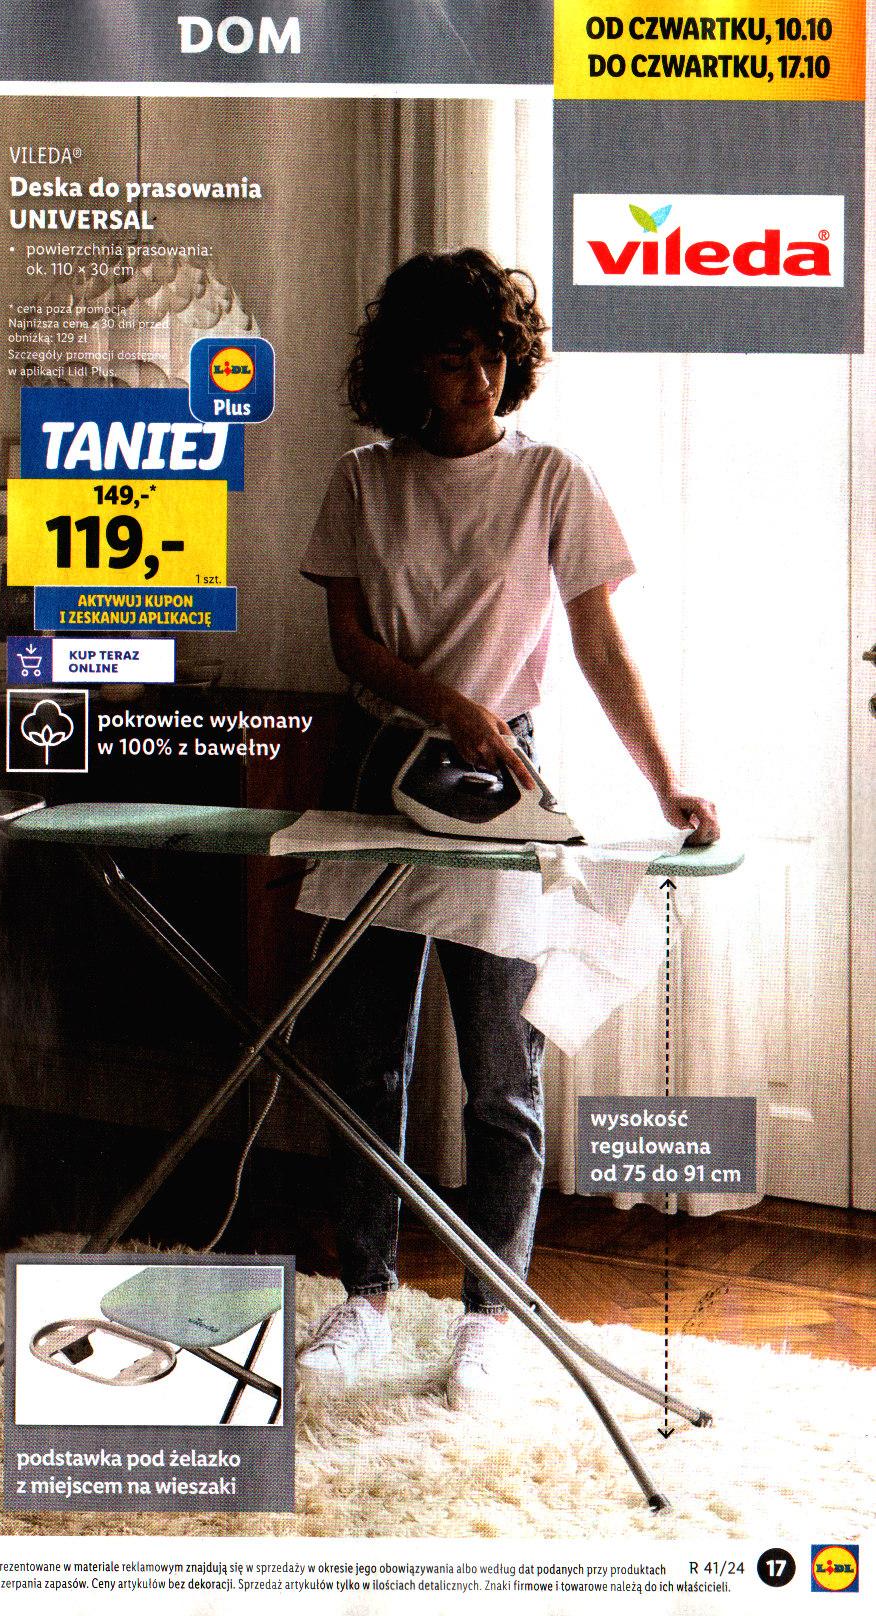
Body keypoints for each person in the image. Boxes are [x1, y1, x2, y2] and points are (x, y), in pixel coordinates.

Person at [294, 248, 718, 1409]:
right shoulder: (361, 482)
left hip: (499, 774)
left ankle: (490, 1310)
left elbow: (597, 643)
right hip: (380, 765)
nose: (475, 377)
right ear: (409, 369)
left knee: (499, 1068)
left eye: (490, 354)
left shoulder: (551, 479)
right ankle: (364, 1292)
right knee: (366, 1061)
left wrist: (665, 782)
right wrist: (444, 706)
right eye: (449, 358)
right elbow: (349, 645)